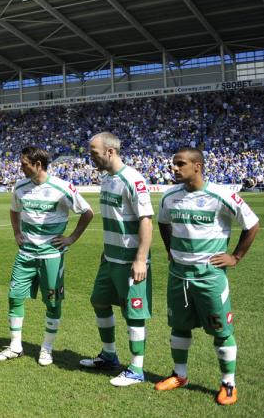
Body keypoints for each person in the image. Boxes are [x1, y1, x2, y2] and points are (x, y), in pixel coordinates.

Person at [154, 147, 260, 406]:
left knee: (221, 331)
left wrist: (235, 257)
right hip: (178, 275)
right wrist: (171, 250)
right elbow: (163, 222)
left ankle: (228, 383)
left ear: (197, 166)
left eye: (180, 164)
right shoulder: (170, 196)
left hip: (209, 276)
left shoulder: (221, 195)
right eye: (174, 164)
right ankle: (179, 375)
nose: (175, 169)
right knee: (179, 326)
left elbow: (252, 224)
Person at [0, 146, 93, 366]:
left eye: (24, 164)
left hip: (51, 255)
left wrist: (71, 238)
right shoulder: (19, 187)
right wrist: (17, 232)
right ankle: (15, 346)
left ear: (38, 165)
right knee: (14, 296)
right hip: (25, 254)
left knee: (53, 302)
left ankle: (46, 349)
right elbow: (14, 210)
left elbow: (87, 212)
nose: (20, 168)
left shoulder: (62, 187)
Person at [79, 132, 155, 387]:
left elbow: (146, 219)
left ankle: (136, 368)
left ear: (110, 151)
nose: (91, 157)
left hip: (130, 260)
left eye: (94, 152)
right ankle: (109, 355)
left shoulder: (132, 179)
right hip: (109, 258)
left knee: (133, 314)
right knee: (99, 301)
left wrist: (141, 259)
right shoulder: (107, 179)